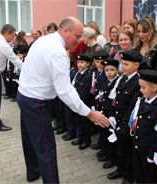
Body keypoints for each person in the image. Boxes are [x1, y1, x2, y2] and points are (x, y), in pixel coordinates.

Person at [17, 17, 110, 183]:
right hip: (36, 102)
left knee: (30, 140)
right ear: (65, 30)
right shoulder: (58, 52)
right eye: (77, 35)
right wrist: (89, 113)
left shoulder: (45, 39)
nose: (79, 40)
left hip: (24, 95)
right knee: (46, 148)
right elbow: (65, 91)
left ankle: (33, 172)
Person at [108, 70, 157, 183]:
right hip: (137, 147)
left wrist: (154, 153)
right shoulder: (141, 102)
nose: (140, 90)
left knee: (149, 177)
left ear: (154, 88)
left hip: (148, 150)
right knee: (138, 174)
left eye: (143, 87)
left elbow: (156, 132)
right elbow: (133, 121)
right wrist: (120, 133)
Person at [107, 50, 142, 184]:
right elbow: (115, 98)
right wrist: (112, 115)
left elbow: (133, 107)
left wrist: (123, 126)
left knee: (128, 151)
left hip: (127, 123)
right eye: (123, 64)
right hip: (119, 119)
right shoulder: (123, 79)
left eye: (126, 64)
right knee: (120, 149)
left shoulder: (137, 82)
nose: (123, 67)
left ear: (137, 65)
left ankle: (128, 176)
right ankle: (120, 169)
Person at [96, 59, 119, 169]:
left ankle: (112, 158)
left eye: (112, 70)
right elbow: (101, 97)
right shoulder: (105, 82)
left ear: (117, 70)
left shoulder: (117, 83)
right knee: (104, 134)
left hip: (112, 115)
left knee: (111, 137)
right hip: (103, 113)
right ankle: (105, 152)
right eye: (106, 70)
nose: (109, 72)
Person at [70, 54, 93, 150]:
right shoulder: (78, 74)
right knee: (78, 121)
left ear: (88, 64)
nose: (79, 64)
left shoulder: (88, 75)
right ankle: (81, 137)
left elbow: (85, 91)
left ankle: (87, 140)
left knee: (85, 122)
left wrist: (79, 102)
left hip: (84, 103)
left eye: (82, 62)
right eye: (78, 62)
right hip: (77, 103)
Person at [90, 50, 109, 151]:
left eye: (102, 62)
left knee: (103, 126)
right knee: (99, 126)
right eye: (97, 61)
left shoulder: (107, 73)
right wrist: (93, 105)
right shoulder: (95, 73)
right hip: (96, 103)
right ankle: (100, 142)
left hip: (103, 104)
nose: (99, 64)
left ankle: (103, 146)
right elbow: (93, 90)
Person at [62, 58, 77, 141]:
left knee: (70, 115)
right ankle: (68, 130)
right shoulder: (67, 72)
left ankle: (72, 132)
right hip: (66, 97)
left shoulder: (73, 74)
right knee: (67, 114)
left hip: (70, 98)